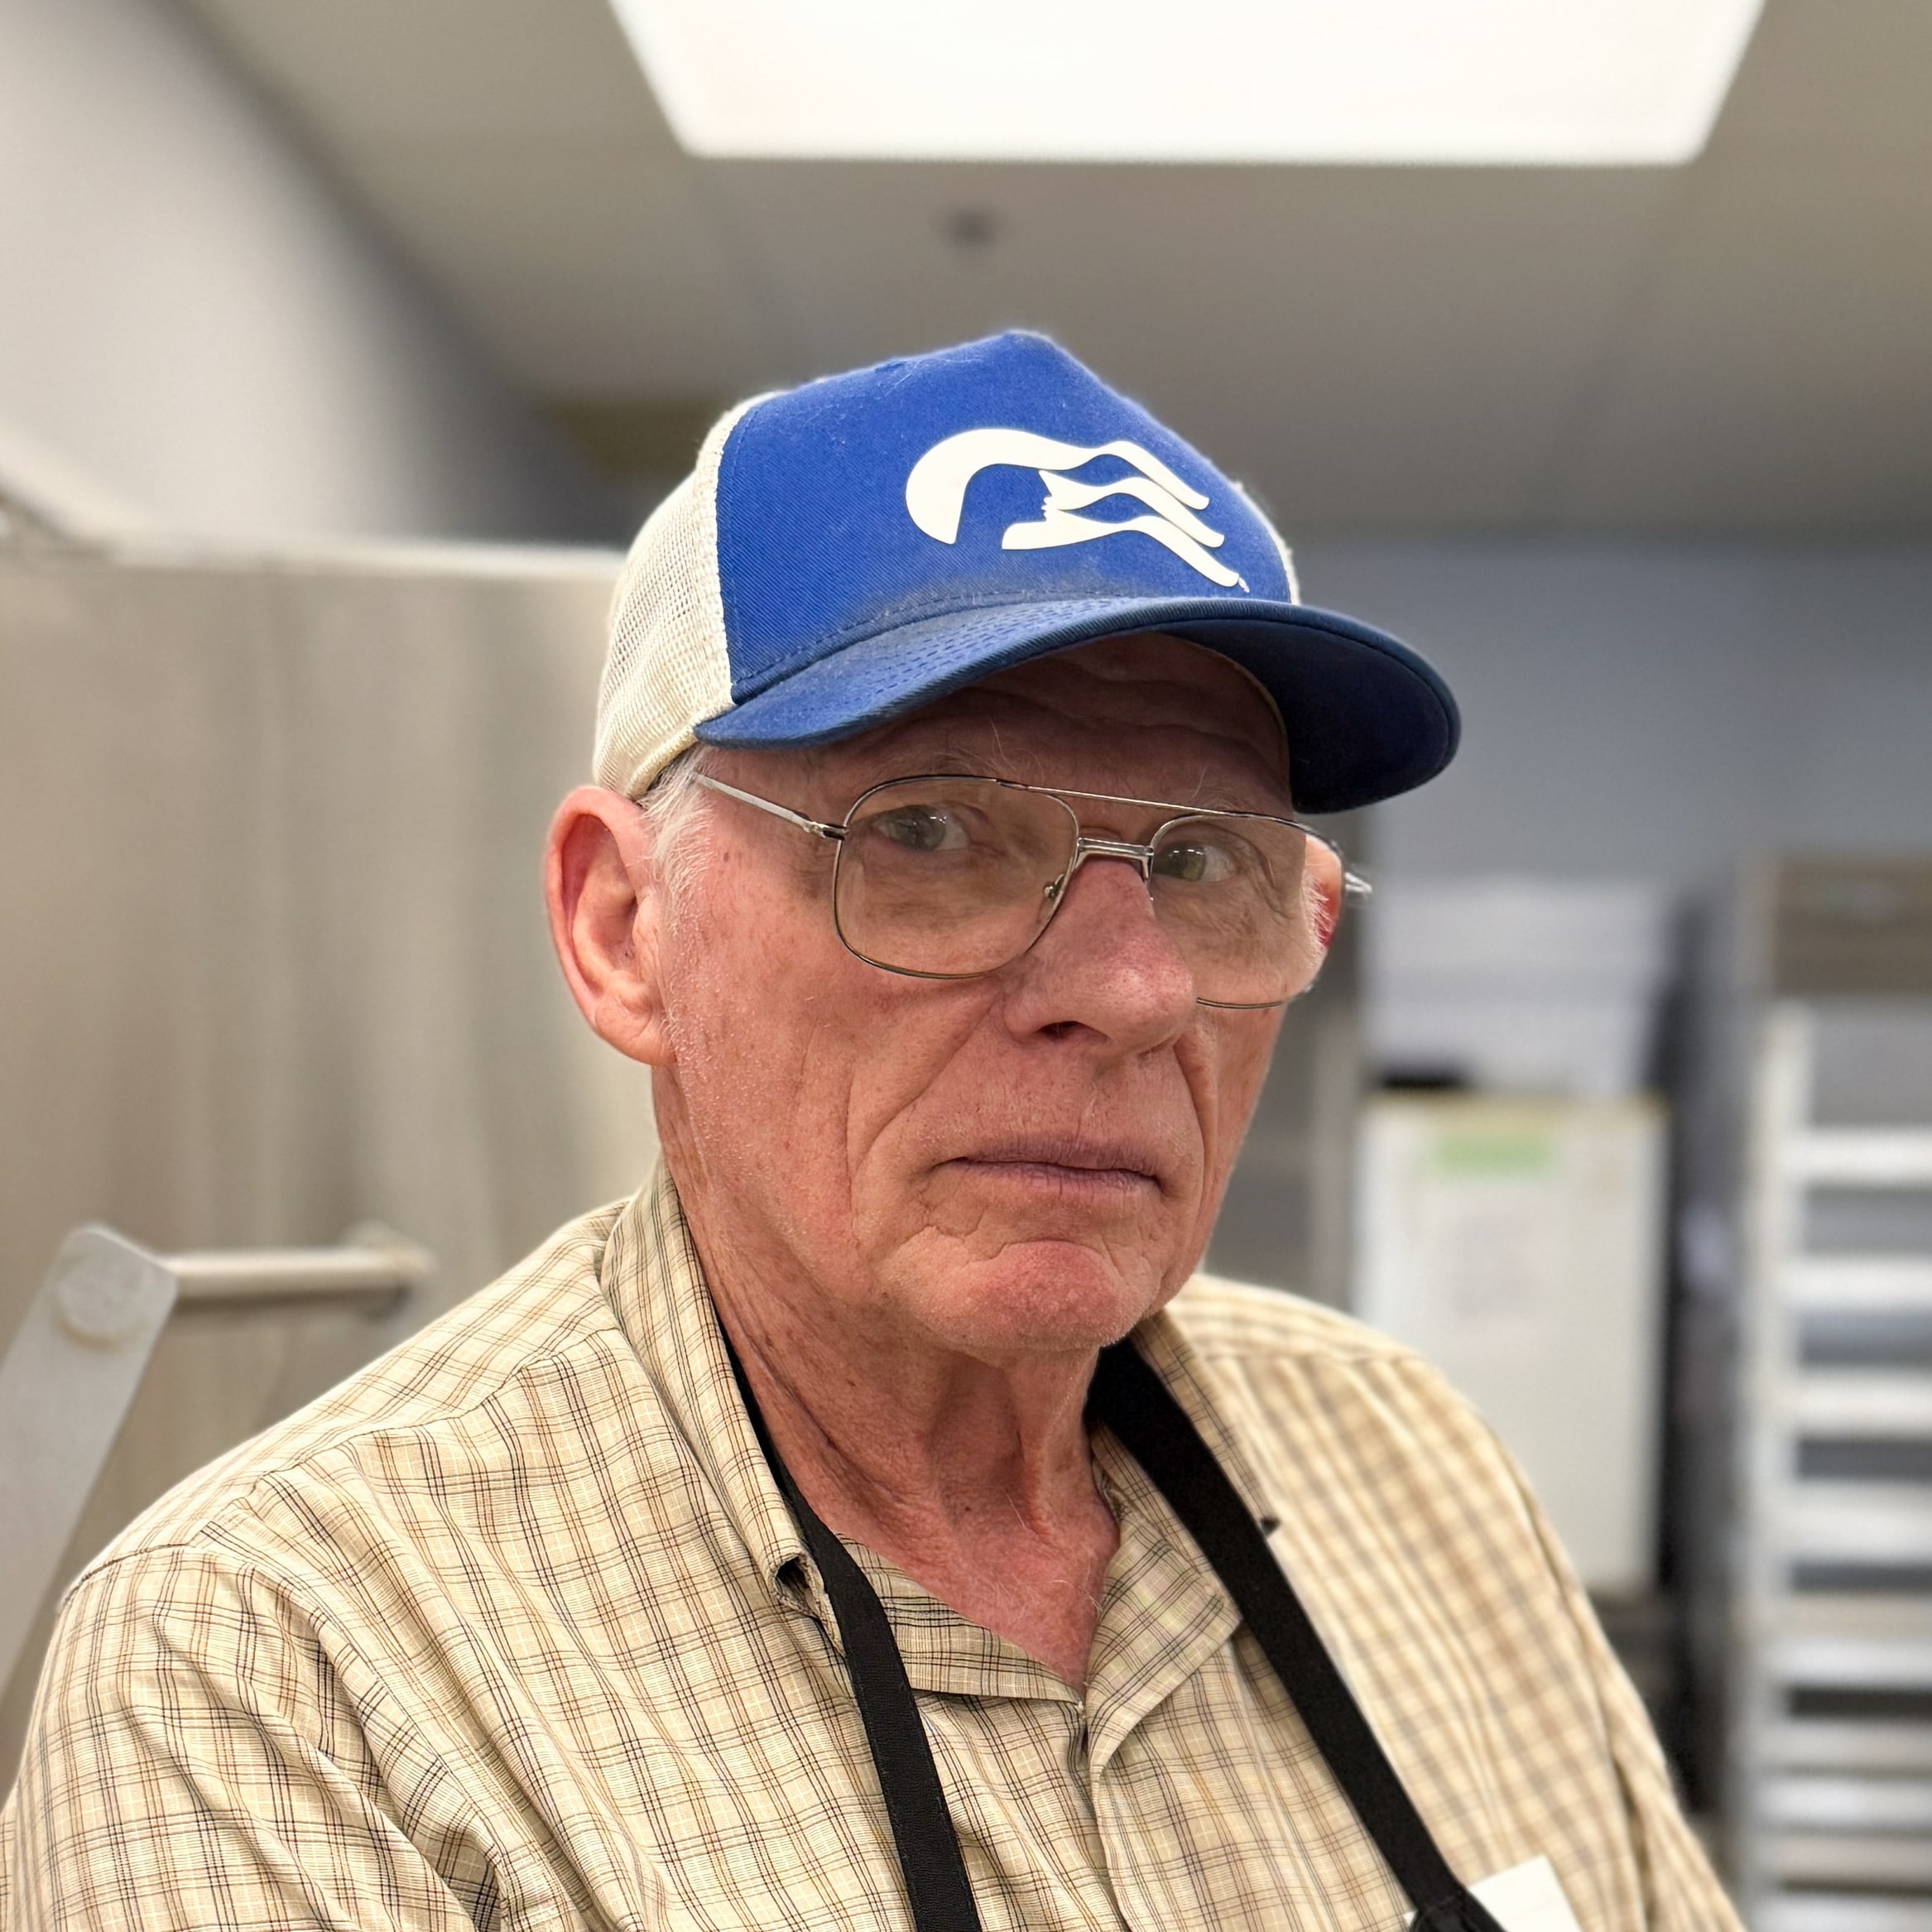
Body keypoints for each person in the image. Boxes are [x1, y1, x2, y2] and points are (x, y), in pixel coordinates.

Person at [0, 333, 1738, 1930]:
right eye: (929, 833)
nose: (1131, 990)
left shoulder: (1410, 1471)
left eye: (1205, 862)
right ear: (625, 928)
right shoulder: (277, 1675)